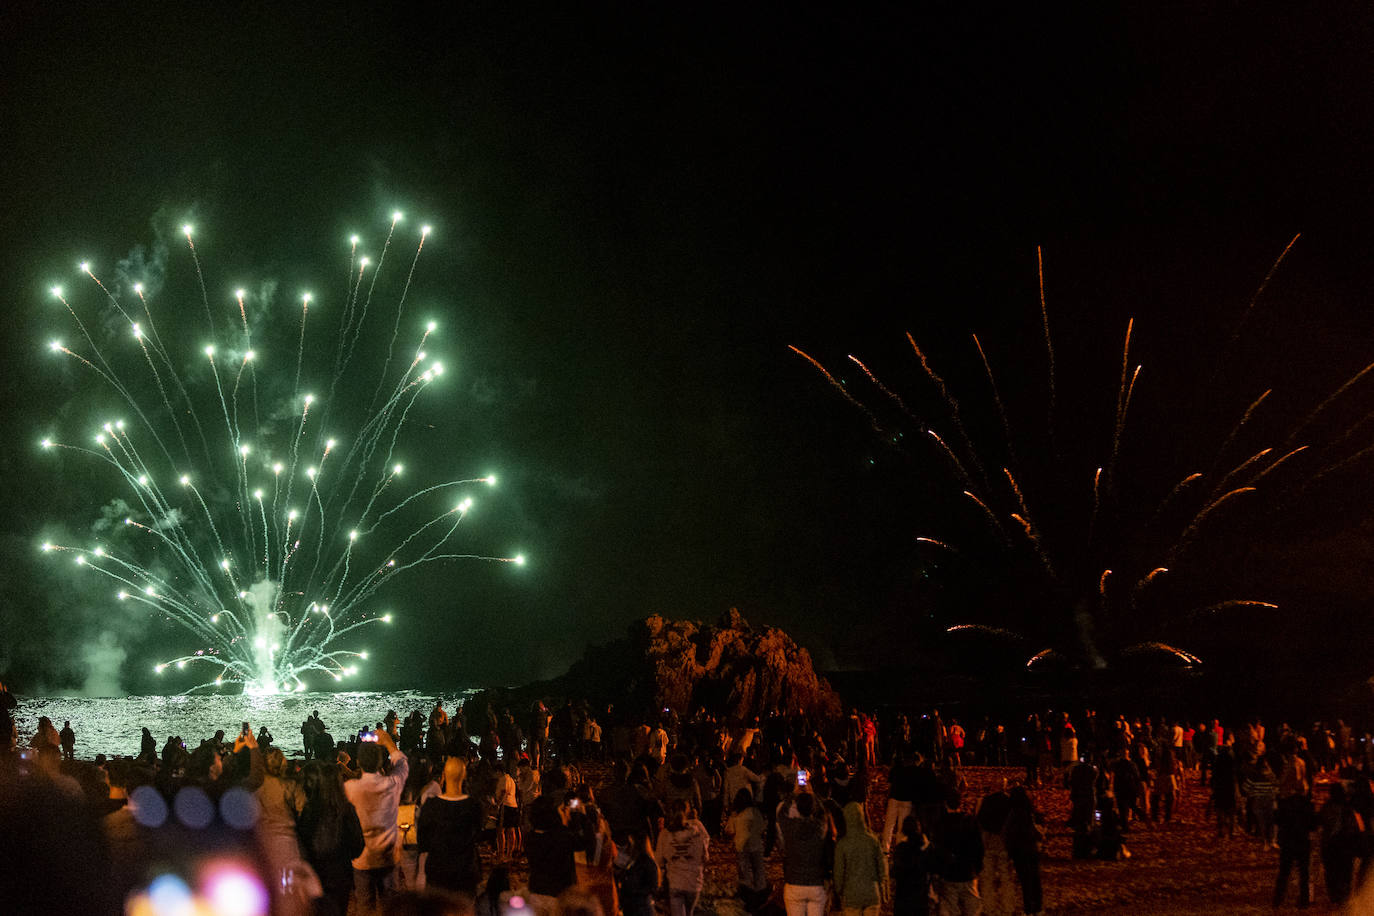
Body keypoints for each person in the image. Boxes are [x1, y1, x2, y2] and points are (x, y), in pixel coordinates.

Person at [345, 727, 410, 911]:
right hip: (388, 856)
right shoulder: (393, 784)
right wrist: (388, 742)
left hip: (362, 859)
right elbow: (403, 763)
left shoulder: (350, 788)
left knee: (364, 907)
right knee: (392, 907)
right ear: (381, 762)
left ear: (358, 762)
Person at [298, 760, 365, 916]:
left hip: (316, 873)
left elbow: (302, 842)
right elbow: (358, 845)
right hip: (341, 874)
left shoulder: (309, 810)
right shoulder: (346, 810)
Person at [417, 755, 484, 897]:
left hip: (437, 871)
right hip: (465, 871)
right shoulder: (474, 806)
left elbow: (423, 842)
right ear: (464, 775)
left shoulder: (431, 806)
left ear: (444, 775)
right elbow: (478, 835)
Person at [777, 789, 831, 916]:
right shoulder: (820, 827)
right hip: (816, 884)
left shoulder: (790, 827)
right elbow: (823, 812)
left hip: (794, 883)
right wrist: (813, 793)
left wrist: (793, 793)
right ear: (813, 809)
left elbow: (781, 813)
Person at [931, 788, 983, 916]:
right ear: (960, 803)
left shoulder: (941, 824)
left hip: (949, 874)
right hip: (968, 872)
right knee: (972, 910)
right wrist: (977, 868)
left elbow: (937, 850)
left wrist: (938, 871)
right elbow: (979, 848)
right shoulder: (970, 822)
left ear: (945, 804)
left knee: (949, 909)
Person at [655, 797, 709, 916]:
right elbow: (705, 857)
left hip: (675, 882)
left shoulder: (665, 835)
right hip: (693, 883)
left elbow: (658, 860)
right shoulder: (697, 832)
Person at [834, 800, 887, 916]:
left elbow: (839, 871)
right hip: (872, 893)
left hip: (851, 894)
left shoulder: (843, 844)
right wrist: (882, 886)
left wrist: (838, 889)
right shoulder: (872, 840)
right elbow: (881, 867)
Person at [1003, 787, 1043, 916]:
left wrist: (1009, 850)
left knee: (1025, 880)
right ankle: (1037, 906)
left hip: (1020, 851)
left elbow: (1009, 833)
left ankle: (1029, 908)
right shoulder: (1030, 812)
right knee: (1034, 878)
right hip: (1031, 848)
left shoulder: (1013, 813)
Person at [1273, 792, 1318, 908]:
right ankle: (1304, 900)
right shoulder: (1307, 805)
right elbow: (1313, 824)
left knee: (1284, 872)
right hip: (1302, 841)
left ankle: (1278, 899)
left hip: (1288, 841)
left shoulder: (1285, 804)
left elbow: (1277, 819)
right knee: (1304, 872)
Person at [725, 787, 767, 898]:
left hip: (741, 846)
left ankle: (747, 893)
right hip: (756, 844)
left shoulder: (736, 815)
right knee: (758, 869)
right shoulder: (755, 812)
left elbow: (729, 830)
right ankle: (760, 891)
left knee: (744, 871)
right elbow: (762, 826)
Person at [890, 815, 932, 916]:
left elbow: (895, 872)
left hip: (903, 896)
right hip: (920, 896)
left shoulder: (901, 848)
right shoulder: (925, 848)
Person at [614, 829, 660, 916]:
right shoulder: (632, 861)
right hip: (631, 907)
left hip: (641, 907)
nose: (629, 846)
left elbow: (653, 886)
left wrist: (634, 892)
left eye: (631, 843)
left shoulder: (647, 862)